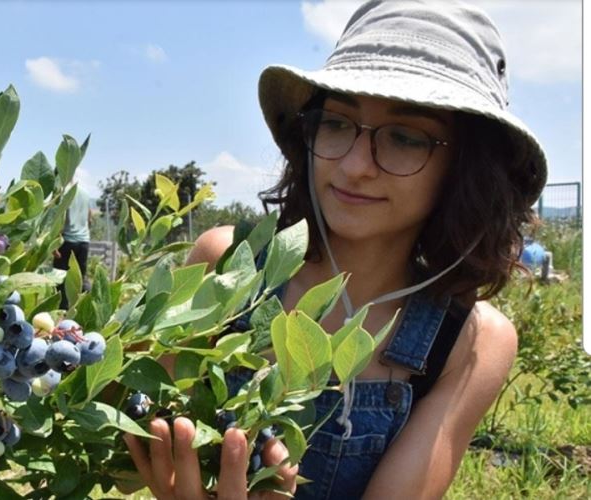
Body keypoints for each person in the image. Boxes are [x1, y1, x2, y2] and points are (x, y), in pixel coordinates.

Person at [124, 1, 546, 498]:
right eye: (338, 123)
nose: (353, 166)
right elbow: (128, 455)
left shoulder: (470, 342)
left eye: (405, 137)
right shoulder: (230, 267)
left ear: (466, 167)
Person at [53, 182, 93, 308]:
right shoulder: (85, 193)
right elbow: (90, 217)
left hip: (67, 241)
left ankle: (62, 312)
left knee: (60, 278)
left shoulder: (64, 193)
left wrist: (54, 244)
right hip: (83, 242)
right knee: (79, 278)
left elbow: (60, 219)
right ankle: (89, 303)